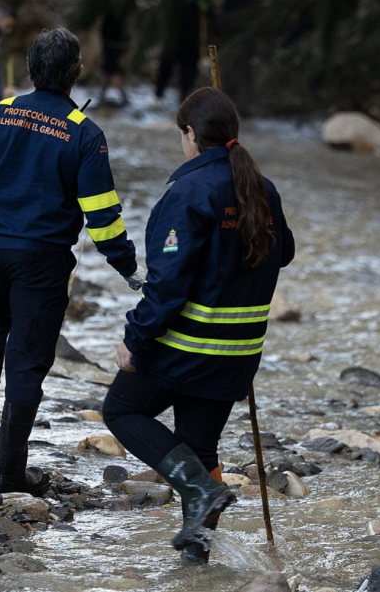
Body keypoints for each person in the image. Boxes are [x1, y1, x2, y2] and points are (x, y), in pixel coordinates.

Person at [0, 28, 145, 495]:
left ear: (31, 70)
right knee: (29, 356)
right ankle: (11, 472)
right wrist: (129, 267)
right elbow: (101, 215)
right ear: (77, 72)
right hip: (41, 257)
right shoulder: (84, 133)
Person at [103, 87, 294, 562]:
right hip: (238, 353)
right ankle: (196, 560)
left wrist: (135, 339)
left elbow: (167, 286)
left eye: (181, 135)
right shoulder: (262, 188)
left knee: (121, 411)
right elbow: (284, 252)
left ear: (190, 134)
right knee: (200, 445)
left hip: (188, 347)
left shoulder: (189, 192)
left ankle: (197, 488)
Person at [155, 0, 202, 102]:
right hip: (183, 43)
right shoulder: (178, 0)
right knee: (175, 70)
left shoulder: (199, 2)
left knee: (180, 71)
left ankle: (164, 95)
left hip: (183, 43)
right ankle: (164, 95)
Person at [100, 7, 129, 107]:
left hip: (111, 48)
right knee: (112, 72)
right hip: (114, 48)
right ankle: (120, 95)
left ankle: (104, 95)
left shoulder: (111, 16)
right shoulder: (119, 15)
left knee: (110, 73)